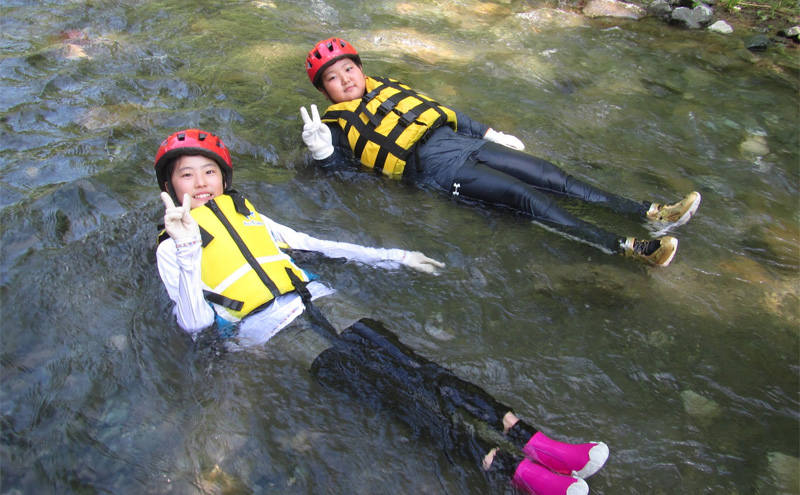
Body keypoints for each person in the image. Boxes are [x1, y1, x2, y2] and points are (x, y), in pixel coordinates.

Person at [154, 128, 610, 495]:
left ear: (224, 179)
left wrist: (395, 255)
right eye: (187, 176)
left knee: (419, 369)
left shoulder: (248, 214)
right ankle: (515, 473)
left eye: (208, 172)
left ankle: (538, 443)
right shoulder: (172, 247)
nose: (201, 184)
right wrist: (189, 249)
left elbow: (320, 246)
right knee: (393, 396)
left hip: (327, 304)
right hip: (274, 332)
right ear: (170, 188)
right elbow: (193, 323)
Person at [300, 37, 702, 267]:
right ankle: (629, 247)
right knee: (524, 196)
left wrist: (491, 132)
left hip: (465, 143)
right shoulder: (333, 126)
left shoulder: (390, 86)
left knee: (552, 176)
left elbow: (445, 113)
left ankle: (650, 213)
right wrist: (322, 154)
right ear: (324, 92)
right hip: (435, 171)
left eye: (348, 69)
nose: (345, 79)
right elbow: (341, 175)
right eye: (332, 79)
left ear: (361, 68)